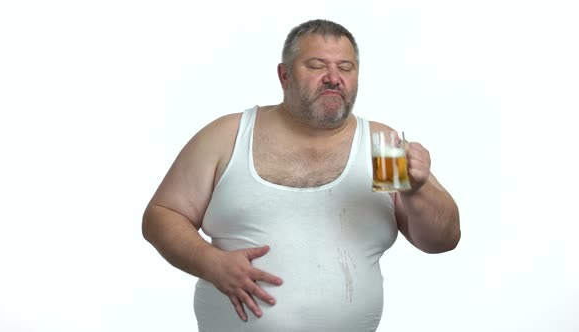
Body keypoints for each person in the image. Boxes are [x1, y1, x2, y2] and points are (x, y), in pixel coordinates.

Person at [142, 19, 460, 332]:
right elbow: (162, 215)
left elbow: (440, 241)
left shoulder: (382, 147)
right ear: (284, 75)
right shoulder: (229, 135)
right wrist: (210, 262)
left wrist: (416, 191)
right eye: (317, 65)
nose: (333, 78)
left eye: (346, 68)